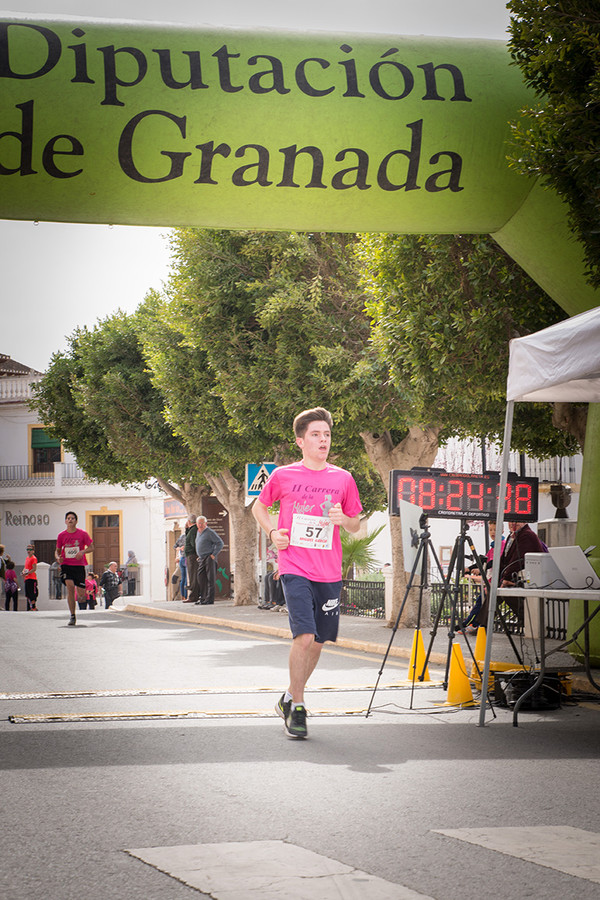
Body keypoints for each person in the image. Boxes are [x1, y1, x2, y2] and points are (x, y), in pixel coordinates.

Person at [252, 406, 362, 739]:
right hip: (294, 566)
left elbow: (356, 523)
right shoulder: (283, 475)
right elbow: (259, 506)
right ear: (300, 441)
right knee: (304, 636)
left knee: (318, 643)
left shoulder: (342, 478)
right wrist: (273, 533)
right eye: (315, 434)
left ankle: (288, 696)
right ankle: (298, 707)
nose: (323, 440)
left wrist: (344, 520)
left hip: (329, 572)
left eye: (326, 434)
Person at [474, 519, 546, 628]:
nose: (513, 524)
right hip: (516, 577)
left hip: (529, 578)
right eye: (510, 522)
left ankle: (526, 620)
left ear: (524, 522)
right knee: (494, 593)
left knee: (505, 594)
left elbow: (518, 559)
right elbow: (503, 561)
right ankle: (482, 625)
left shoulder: (527, 535)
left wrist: (505, 579)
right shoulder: (512, 536)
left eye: (516, 521)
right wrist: (496, 581)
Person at [458, 521, 505, 634]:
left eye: (495, 530)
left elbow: (495, 562)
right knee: (479, 604)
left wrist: (481, 570)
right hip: (489, 582)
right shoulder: (493, 547)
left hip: (496, 581)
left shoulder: (501, 545)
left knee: (481, 604)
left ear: (502, 531)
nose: (493, 532)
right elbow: (484, 561)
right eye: (491, 530)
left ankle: (473, 625)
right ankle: (469, 624)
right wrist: (469, 568)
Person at [55, 511, 94, 626]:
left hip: (79, 566)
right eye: (68, 518)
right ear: (65, 521)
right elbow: (57, 552)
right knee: (70, 588)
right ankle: (72, 616)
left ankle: (82, 601)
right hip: (66, 565)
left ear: (76, 521)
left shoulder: (83, 534)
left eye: (73, 518)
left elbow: (92, 547)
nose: (70, 520)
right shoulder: (61, 535)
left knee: (81, 595)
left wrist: (83, 551)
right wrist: (58, 558)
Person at [194, 515, 224, 605]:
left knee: (210, 579)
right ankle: (203, 598)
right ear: (196, 524)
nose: (200, 525)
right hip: (202, 558)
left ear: (206, 523)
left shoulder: (210, 532)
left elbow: (220, 543)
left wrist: (213, 554)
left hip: (209, 558)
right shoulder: (198, 532)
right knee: (201, 578)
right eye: (199, 523)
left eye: (202, 523)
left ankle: (209, 600)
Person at [183, 515, 199, 604]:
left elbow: (193, 543)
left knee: (193, 576)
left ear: (189, 521)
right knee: (192, 576)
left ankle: (193, 596)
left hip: (192, 556)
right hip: (191, 556)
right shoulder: (191, 530)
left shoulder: (193, 531)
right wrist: (186, 529)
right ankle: (194, 595)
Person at [23, 543, 39, 611]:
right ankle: (29, 607)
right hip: (27, 578)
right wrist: (23, 572)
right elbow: (25, 567)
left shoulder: (33, 558)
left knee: (32, 593)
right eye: (27, 549)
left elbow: (34, 568)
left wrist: (27, 572)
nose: (28, 551)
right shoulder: (27, 558)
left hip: (32, 578)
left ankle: (33, 606)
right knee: (27, 593)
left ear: (33, 551)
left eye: (30, 549)